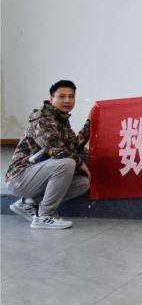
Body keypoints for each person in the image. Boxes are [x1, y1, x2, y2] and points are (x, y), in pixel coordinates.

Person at [6, 80, 91, 229]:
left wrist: (90, 121)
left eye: (71, 96)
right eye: (62, 96)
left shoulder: (61, 120)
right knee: (67, 163)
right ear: (51, 99)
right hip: (20, 177)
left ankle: (28, 202)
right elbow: (57, 151)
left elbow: (74, 146)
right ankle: (45, 215)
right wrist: (80, 163)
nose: (67, 100)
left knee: (82, 184)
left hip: (37, 175)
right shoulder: (42, 118)